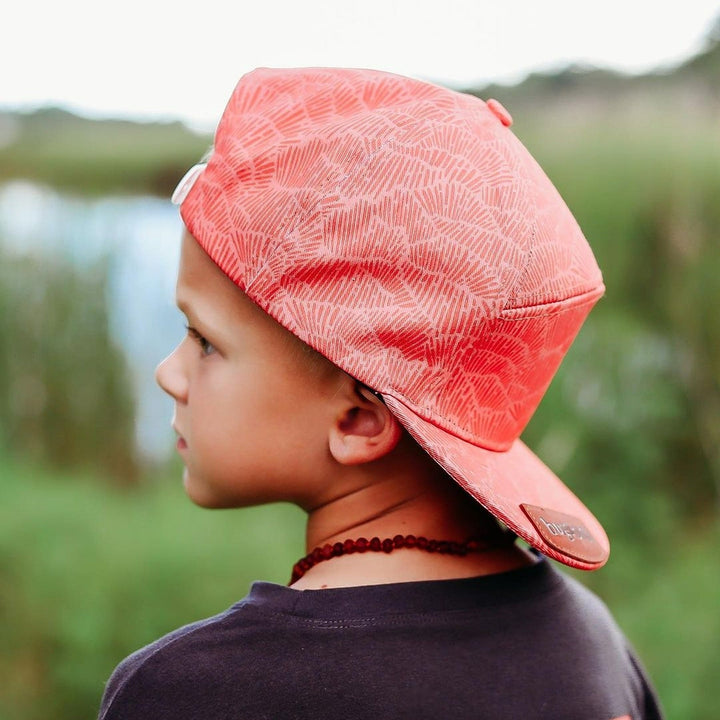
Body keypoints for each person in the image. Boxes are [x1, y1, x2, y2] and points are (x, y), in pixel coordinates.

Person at [97, 67, 663, 719]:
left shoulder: (191, 693)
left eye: (204, 341)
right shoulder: (593, 649)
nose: (169, 372)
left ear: (362, 420)